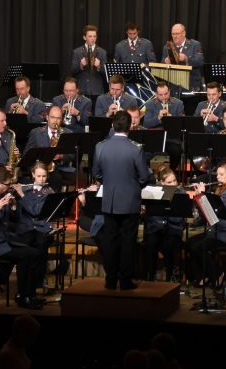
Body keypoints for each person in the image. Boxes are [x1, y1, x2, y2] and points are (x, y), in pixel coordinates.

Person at [0, 165, 46, 309]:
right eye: (7, 184)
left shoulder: (0, 196)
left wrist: (13, 207)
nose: (10, 187)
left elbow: (13, 220)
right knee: (25, 256)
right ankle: (25, 297)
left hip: (3, 241)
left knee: (35, 252)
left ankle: (27, 294)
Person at [92, 111, 149, 290]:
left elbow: (96, 173)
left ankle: (110, 280)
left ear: (113, 125)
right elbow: (144, 177)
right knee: (128, 242)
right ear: (130, 126)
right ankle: (125, 281)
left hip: (109, 200)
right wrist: (133, 185)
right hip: (130, 201)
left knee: (110, 241)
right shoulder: (135, 148)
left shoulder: (100, 147)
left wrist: (109, 182)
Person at [186, 163, 226, 288]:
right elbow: (207, 215)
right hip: (218, 230)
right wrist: (200, 196)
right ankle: (203, 276)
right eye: (217, 174)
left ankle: (218, 274)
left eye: (222, 174)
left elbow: (212, 214)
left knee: (198, 247)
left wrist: (201, 195)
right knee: (190, 242)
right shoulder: (221, 189)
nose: (218, 177)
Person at [143, 164, 185, 281]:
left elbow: (179, 219)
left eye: (174, 180)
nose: (174, 184)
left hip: (173, 228)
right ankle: (150, 276)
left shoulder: (180, 193)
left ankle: (170, 276)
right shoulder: (153, 192)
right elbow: (151, 216)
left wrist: (166, 216)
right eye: (169, 182)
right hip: (156, 228)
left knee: (169, 244)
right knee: (151, 243)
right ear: (162, 183)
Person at [24, 105, 75, 191]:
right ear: (47, 117)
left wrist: (61, 156)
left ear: (61, 119)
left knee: (60, 177)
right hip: (40, 167)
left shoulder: (68, 133)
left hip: (60, 167)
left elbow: (72, 155)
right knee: (55, 178)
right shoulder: (36, 132)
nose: (55, 120)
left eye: (58, 118)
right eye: (53, 117)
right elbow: (26, 153)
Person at [70, 24, 107, 103]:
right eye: (90, 36)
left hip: (97, 91)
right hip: (81, 90)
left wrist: (99, 66)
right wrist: (81, 65)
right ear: (84, 37)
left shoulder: (102, 52)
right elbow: (72, 71)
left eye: (94, 36)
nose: (93, 39)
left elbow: (106, 73)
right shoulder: (77, 52)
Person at [161, 23, 205, 90]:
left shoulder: (194, 45)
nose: (175, 36)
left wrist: (186, 59)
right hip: (173, 86)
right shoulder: (167, 47)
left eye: (177, 34)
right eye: (173, 34)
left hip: (190, 85)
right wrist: (165, 62)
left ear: (184, 33)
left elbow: (200, 61)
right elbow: (161, 65)